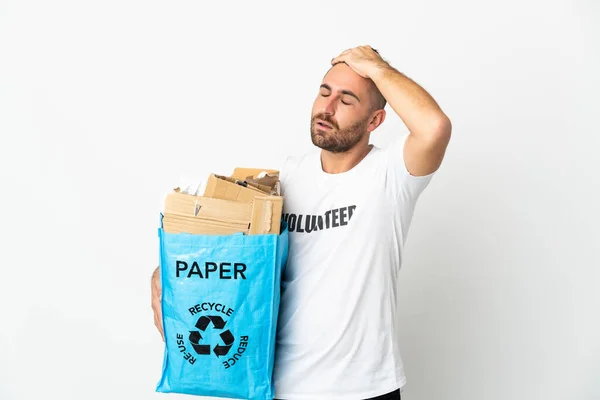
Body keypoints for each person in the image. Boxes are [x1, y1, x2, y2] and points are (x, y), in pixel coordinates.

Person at [151, 45, 451, 400]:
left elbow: (434, 127)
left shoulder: (390, 176)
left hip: (364, 389)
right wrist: (165, 271)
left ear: (374, 121)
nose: (327, 107)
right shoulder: (286, 179)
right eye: (324, 92)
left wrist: (376, 67)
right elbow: (216, 231)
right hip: (280, 385)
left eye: (346, 99)